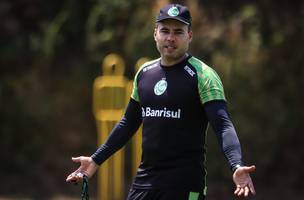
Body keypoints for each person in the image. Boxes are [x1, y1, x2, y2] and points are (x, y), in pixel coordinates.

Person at [66, 4, 256, 200]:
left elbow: (222, 125)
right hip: (144, 183)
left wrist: (237, 164)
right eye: (165, 31)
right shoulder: (144, 73)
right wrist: (95, 160)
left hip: (184, 185)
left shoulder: (204, 76)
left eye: (178, 32)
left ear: (189, 35)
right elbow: (128, 123)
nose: (170, 38)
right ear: (155, 33)